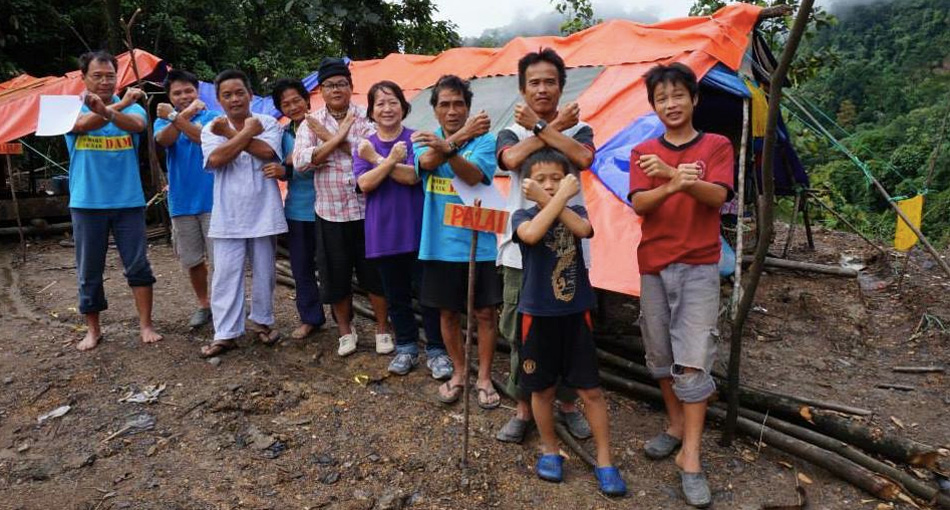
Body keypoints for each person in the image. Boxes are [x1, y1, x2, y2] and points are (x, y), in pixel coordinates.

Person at [629, 63, 734, 508]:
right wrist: (676, 181)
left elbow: (719, 196)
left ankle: (690, 457)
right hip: (653, 264)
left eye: (677, 95)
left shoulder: (716, 145)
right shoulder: (642, 150)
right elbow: (640, 205)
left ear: (694, 99)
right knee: (661, 357)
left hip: (698, 266)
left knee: (693, 360)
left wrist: (675, 178)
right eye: (661, 98)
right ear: (653, 105)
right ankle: (675, 425)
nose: (670, 104)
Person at [494, 48, 595, 443]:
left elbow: (583, 158)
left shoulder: (579, 128)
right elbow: (510, 160)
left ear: (561, 86)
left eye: (550, 81)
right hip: (522, 251)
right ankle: (523, 408)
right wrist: (545, 130)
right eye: (534, 82)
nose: (542, 88)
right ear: (522, 89)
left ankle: (568, 406)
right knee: (519, 330)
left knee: (571, 330)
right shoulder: (511, 129)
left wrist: (540, 128)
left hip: (569, 251)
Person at [513, 148, 626, 496]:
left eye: (556, 179)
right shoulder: (520, 214)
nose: (549, 185)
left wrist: (559, 198)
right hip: (537, 316)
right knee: (541, 389)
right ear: (527, 185)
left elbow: (584, 230)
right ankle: (550, 448)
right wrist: (559, 195)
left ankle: (605, 458)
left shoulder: (575, 210)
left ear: (569, 182)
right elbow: (532, 235)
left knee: (590, 389)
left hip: (575, 315)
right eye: (541, 180)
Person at [411, 75, 502, 408]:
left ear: (468, 106)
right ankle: (461, 372)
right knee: (447, 314)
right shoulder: (425, 138)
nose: (452, 111)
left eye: (459, 104)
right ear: (434, 110)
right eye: (445, 104)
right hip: (438, 242)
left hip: (479, 241)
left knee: (485, 313)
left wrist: (449, 148)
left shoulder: (487, 140)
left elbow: (473, 175)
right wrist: (458, 140)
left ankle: (484, 377)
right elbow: (427, 162)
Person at [352, 81, 452, 378]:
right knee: (396, 296)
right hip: (383, 233)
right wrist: (387, 160)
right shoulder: (364, 145)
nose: (387, 108)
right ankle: (406, 346)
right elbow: (366, 184)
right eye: (380, 103)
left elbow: (412, 177)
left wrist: (378, 161)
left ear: (404, 107)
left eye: (392, 101)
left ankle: (437, 350)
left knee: (429, 295)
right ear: (371, 111)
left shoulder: (417, 139)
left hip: (419, 231)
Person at [293, 57, 391, 357]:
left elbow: (372, 155)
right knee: (335, 276)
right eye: (329, 85)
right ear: (320, 90)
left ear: (351, 87)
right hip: (330, 212)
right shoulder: (311, 122)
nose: (336, 89)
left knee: (375, 273)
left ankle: (382, 329)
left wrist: (328, 142)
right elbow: (301, 163)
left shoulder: (368, 116)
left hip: (367, 209)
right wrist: (336, 137)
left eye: (341, 84)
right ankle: (346, 331)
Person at [65, 50, 162, 351]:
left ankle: (145, 325)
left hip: (128, 201)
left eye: (110, 76)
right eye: (98, 76)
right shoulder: (70, 109)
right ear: (83, 78)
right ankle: (93, 331)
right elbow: (81, 126)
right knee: (89, 269)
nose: (105, 81)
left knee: (138, 265)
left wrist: (113, 108)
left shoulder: (134, 110)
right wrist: (118, 104)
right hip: (87, 202)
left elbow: (137, 126)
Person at [199, 69, 287, 357]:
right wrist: (245, 132)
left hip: (264, 208)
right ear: (219, 100)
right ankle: (225, 333)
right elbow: (216, 159)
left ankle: (262, 321)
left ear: (250, 95)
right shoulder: (211, 127)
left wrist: (232, 135)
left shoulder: (268, 122)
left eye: (239, 93)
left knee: (265, 272)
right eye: (227, 95)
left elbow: (267, 153)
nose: (235, 99)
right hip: (228, 212)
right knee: (225, 273)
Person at [154, 69, 220, 330]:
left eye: (188, 91)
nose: (183, 96)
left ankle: (223, 304)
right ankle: (204, 304)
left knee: (220, 259)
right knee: (192, 259)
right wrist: (183, 114)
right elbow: (164, 139)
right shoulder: (164, 122)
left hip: (213, 200)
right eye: (177, 93)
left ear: (198, 92)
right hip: (181, 201)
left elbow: (202, 139)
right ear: (169, 96)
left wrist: (177, 116)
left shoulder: (214, 116)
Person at [269, 78, 327, 339]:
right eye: (285, 103)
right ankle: (311, 318)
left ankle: (343, 320)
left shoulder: (323, 126)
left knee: (333, 266)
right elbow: (282, 171)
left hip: (329, 208)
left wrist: (293, 164)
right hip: (297, 209)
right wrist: (285, 169)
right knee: (301, 267)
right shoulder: (283, 135)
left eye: (296, 100)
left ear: (307, 100)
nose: (292, 106)